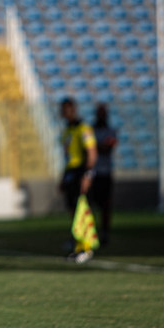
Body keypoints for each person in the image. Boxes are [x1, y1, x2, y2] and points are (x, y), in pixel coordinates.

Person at [59, 97, 97, 263]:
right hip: (71, 173)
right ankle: (77, 243)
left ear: (72, 110)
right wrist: (63, 177)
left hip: (80, 173)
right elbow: (68, 157)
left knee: (82, 210)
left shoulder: (83, 129)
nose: (63, 113)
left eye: (66, 109)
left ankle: (86, 248)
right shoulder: (67, 131)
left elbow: (91, 153)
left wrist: (87, 175)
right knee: (72, 210)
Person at [90, 103, 117, 245]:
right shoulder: (91, 130)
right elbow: (91, 147)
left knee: (106, 205)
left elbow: (108, 148)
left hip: (105, 173)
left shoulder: (110, 130)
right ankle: (92, 232)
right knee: (91, 205)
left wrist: (97, 146)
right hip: (93, 174)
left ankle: (105, 232)